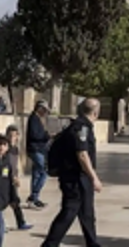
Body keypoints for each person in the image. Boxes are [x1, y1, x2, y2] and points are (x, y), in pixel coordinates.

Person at [41, 98, 103, 247]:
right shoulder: (81, 127)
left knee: (87, 213)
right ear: (96, 112)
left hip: (80, 178)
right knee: (69, 212)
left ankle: (92, 243)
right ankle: (49, 244)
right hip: (75, 178)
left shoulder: (83, 126)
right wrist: (94, 177)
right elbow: (82, 154)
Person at [6, 125, 33, 231]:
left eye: (16, 135)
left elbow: (14, 165)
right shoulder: (5, 148)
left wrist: (16, 176)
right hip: (6, 179)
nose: (14, 137)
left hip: (13, 179)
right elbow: (7, 165)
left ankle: (21, 222)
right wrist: (13, 177)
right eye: (12, 135)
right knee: (2, 203)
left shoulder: (15, 149)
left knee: (15, 201)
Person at [26, 100, 51, 208]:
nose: (45, 113)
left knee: (36, 174)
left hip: (39, 149)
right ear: (39, 108)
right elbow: (34, 135)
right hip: (35, 150)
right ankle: (33, 195)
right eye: (44, 110)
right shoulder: (33, 119)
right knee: (44, 172)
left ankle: (34, 199)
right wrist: (46, 136)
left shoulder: (37, 119)